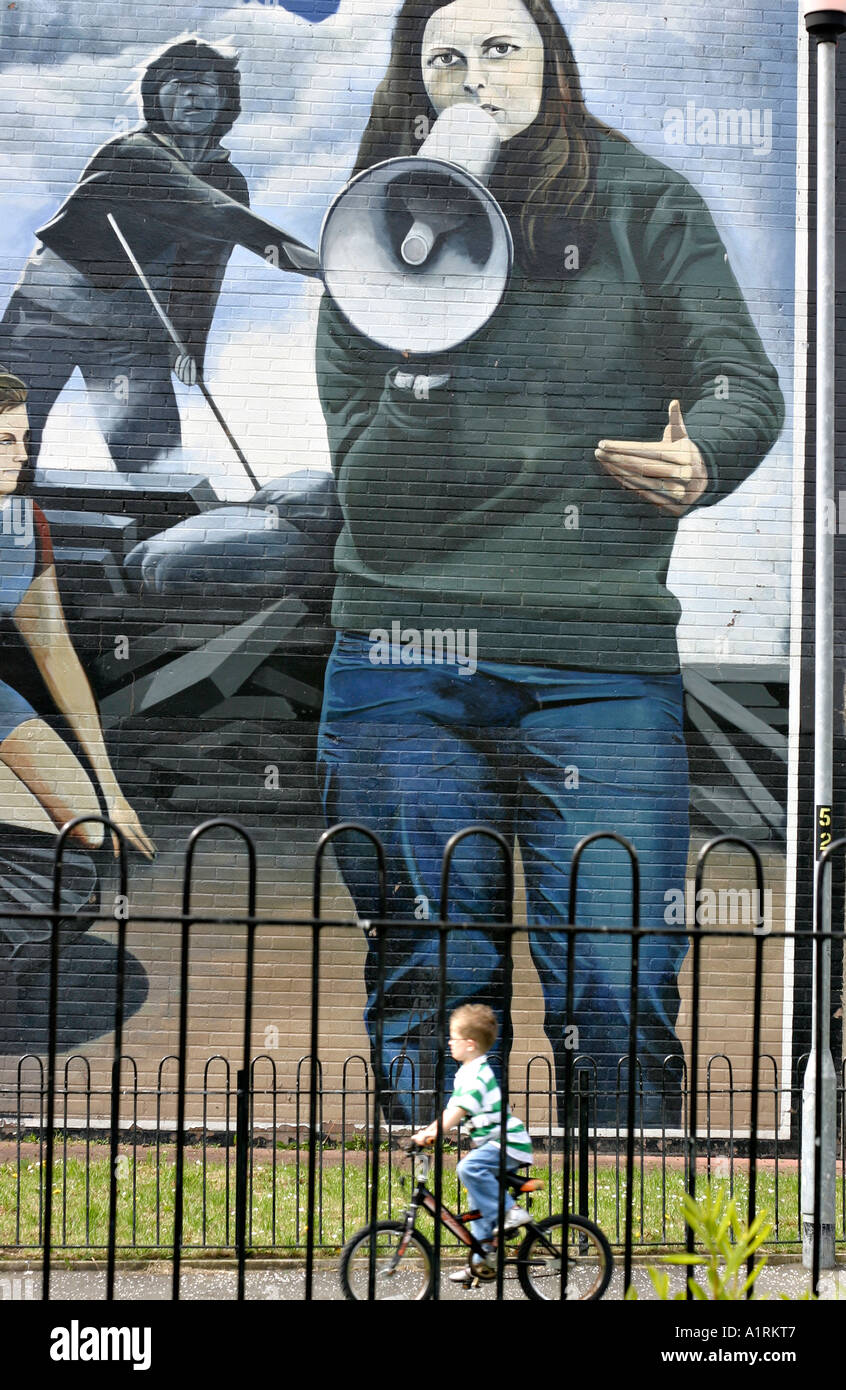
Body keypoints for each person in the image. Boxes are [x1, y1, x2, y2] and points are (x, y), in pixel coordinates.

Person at [315, 0, 785, 1126]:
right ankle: (445, 1240)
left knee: (617, 979)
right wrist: (420, 350)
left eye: (500, 47)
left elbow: (740, 383)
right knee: (433, 974)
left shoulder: (644, 204)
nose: (474, 77)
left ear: (550, 63)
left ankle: (608, 1238)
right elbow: (374, 506)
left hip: (599, 665)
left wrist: (703, 454)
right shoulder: (377, 237)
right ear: (413, 82)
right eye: (444, 58)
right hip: (402, 662)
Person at [0, 36, 315, 475]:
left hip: (131, 336)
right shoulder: (135, 152)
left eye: (205, 83)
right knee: (10, 446)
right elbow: (217, 214)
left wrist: (188, 345)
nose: (191, 93)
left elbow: (204, 273)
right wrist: (322, 266)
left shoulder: (229, 181)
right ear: (156, 96)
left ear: (225, 98)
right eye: (178, 81)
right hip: (44, 317)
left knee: (153, 461)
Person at [0, 366, 154, 887]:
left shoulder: (22, 522)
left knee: (95, 832)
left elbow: (53, 651)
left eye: (24, 438)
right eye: (4, 438)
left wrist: (110, 787)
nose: (22, 455)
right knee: (33, 851)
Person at [413, 1003, 533, 1278]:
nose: (449, 1042)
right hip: (494, 1144)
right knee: (477, 1207)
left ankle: (511, 1211)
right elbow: (449, 1112)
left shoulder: (478, 1075)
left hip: (509, 1144)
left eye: (453, 1037)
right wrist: (427, 1131)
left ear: (469, 1044)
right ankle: (482, 1261)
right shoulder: (466, 1073)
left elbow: (456, 1113)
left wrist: (429, 1133)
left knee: (468, 1168)